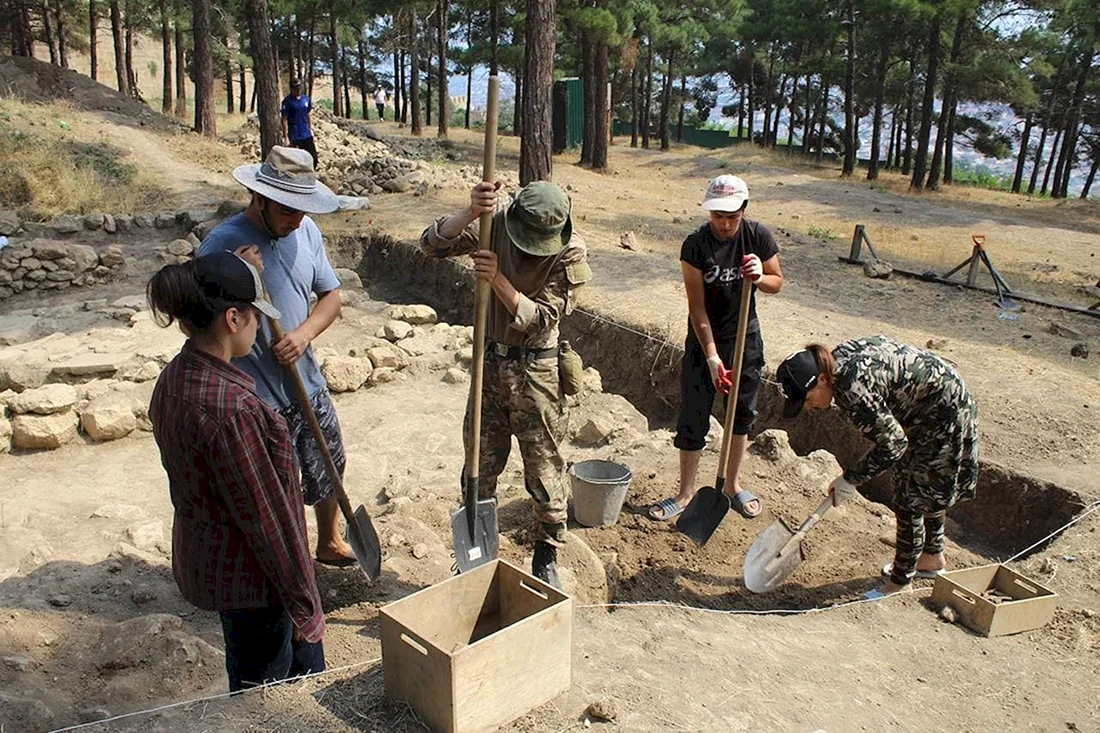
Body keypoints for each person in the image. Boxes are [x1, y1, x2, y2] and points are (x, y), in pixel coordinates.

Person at [147, 251, 326, 692]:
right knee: (269, 700)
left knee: (251, 678)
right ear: (232, 318)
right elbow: (269, 524)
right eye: (255, 316)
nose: (260, 328)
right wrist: (307, 607)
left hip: (216, 563)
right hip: (257, 585)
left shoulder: (174, 378)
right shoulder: (235, 411)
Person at [420, 180, 592, 588]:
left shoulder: (570, 252)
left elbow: (541, 320)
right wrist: (469, 213)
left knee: (543, 464)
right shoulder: (494, 223)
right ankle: (477, 547)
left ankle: (547, 551)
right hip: (490, 364)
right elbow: (432, 244)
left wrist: (497, 279)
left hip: (537, 371)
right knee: (480, 460)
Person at [198, 146, 355, 568]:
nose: (296, 218)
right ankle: (288, 561)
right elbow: (203, 322)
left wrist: (303, 335)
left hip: (307, 380)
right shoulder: (222, 244)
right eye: (287, 208)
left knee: (329, 462)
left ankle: (329, 540)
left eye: (303, 209)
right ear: (259, 197)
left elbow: (332, 297)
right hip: (256, 396)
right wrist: (240, 278)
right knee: (275, 486)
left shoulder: (306, 233)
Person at [776, 335, 980, 599]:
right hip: (934, 404)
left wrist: (850, 479)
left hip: (943, 415)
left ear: (822, 380)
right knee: (920, 483)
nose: (808, 407)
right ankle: (931, 559)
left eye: (806, 399)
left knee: (910, 496)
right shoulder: (839, 359)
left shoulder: (851, 388)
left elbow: (893, 445)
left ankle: (900, 582)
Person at [649, 174, 783, 522]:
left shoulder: (757, 236)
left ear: (744, 210)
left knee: (740, 415)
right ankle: (685, 492)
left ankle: (732, 486)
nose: (724, 224)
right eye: (717, 216)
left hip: (744, 339)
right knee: (693, 415)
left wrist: (758, 277)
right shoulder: (695, 245)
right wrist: (711, 356)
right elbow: (697, 307)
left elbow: (777, 283)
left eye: (731, 217)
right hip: (704, 340)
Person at [281, 78, 318, 170]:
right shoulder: (287, 101)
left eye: (299, 88)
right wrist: (285, 137)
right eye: (295, 89)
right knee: (297, 160)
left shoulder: (306, 99)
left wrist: (310, 128)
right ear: (291, 89)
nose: (298, 91)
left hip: (306, 134)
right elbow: (284, 119)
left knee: (314, 158)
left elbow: (308, 114)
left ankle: (311, 173)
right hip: (295, 136)